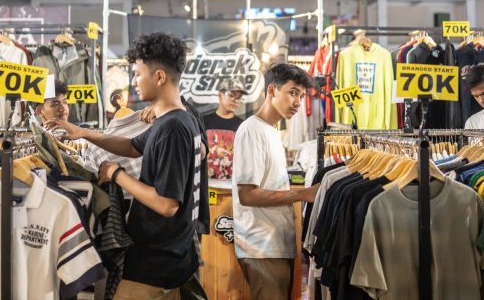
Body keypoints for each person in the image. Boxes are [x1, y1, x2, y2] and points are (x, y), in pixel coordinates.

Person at [45, 33, 206, 299]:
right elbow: (132, 146)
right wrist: (82, 132)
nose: (133, 81)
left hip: (156, 264)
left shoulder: (173, 128)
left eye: (137, 74)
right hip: (166, 256)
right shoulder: (174, 121)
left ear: (159, 77)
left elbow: (167, 204)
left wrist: (116, 173)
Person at [233, 63, 319, 300]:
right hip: (261, 247)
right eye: (292, 93)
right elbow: (247, 195)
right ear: (272, 90)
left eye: (301, 96)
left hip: (275, 245)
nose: (297, 102)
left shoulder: (270, 131)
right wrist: (302, 194)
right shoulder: (251, 130)